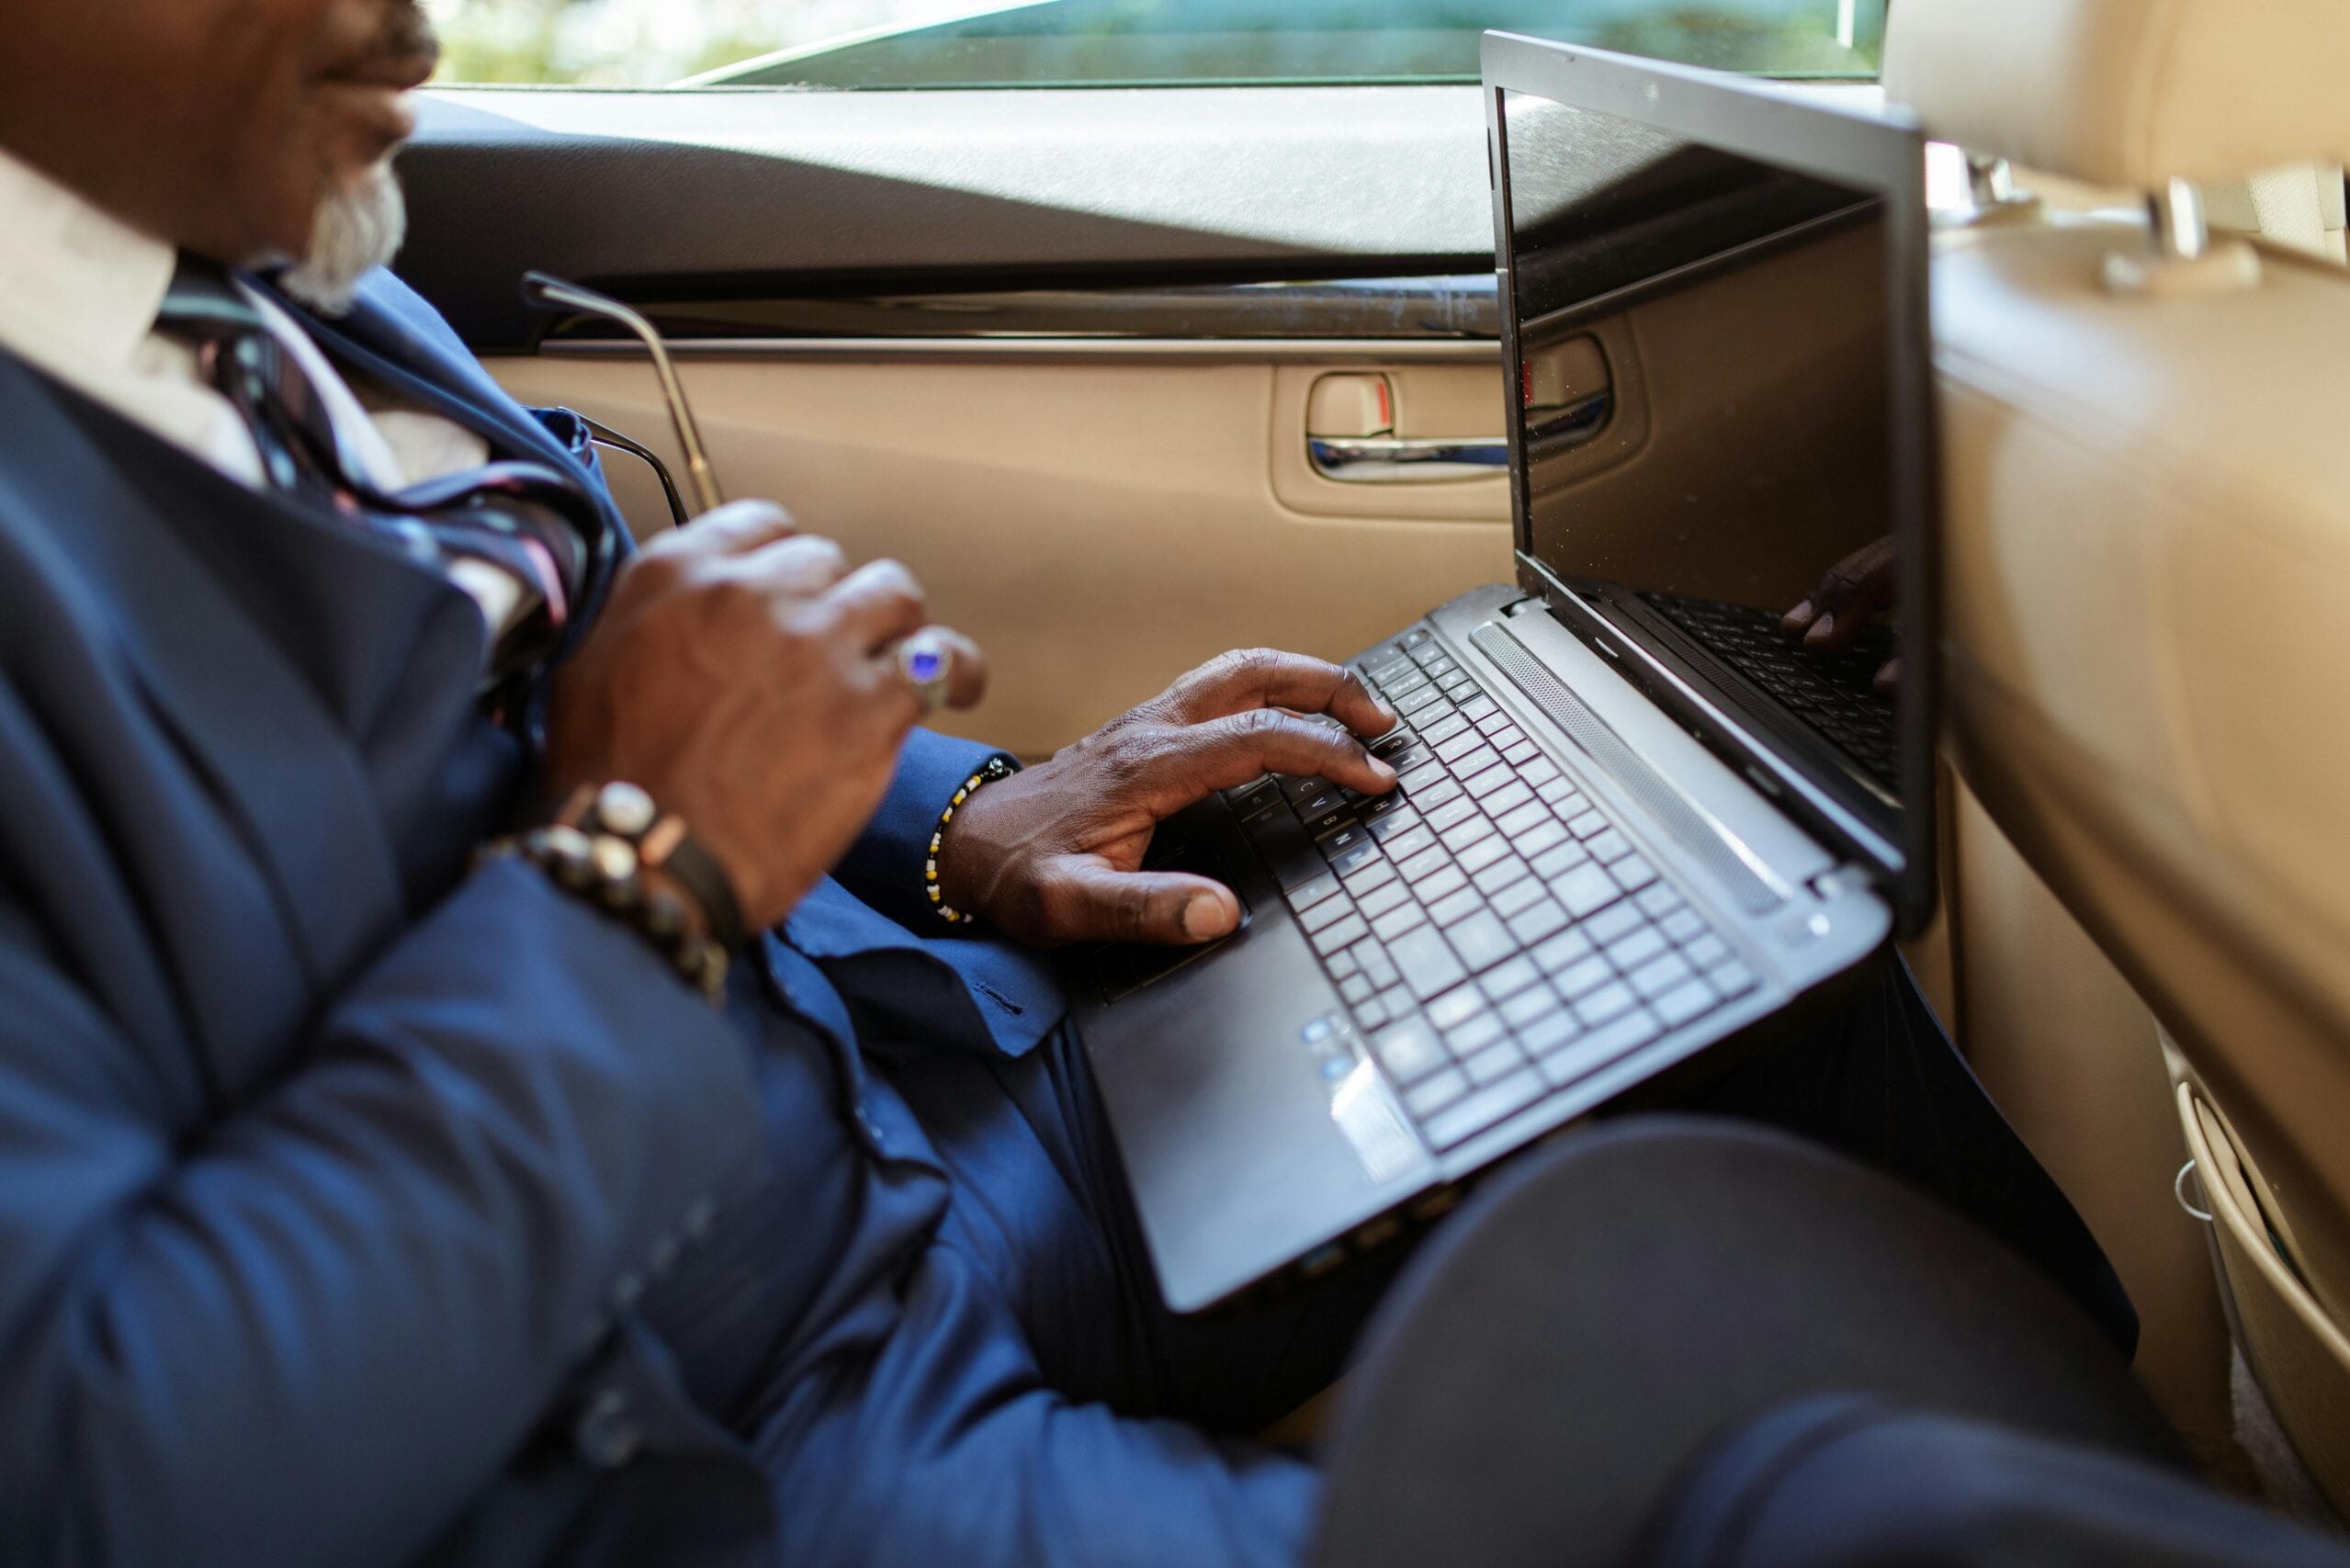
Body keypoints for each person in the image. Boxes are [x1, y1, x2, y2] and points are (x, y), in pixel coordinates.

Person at [0, 5, 2135, 1566]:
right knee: (1817, 1517)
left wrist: (959, 819)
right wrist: (641, 874)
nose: (414, 18)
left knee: (1758, 958)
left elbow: (533, 673)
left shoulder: (266, 268)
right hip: (708, 1433)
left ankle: (2140, 1469)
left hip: (930, 1102)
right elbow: (113, 1477)